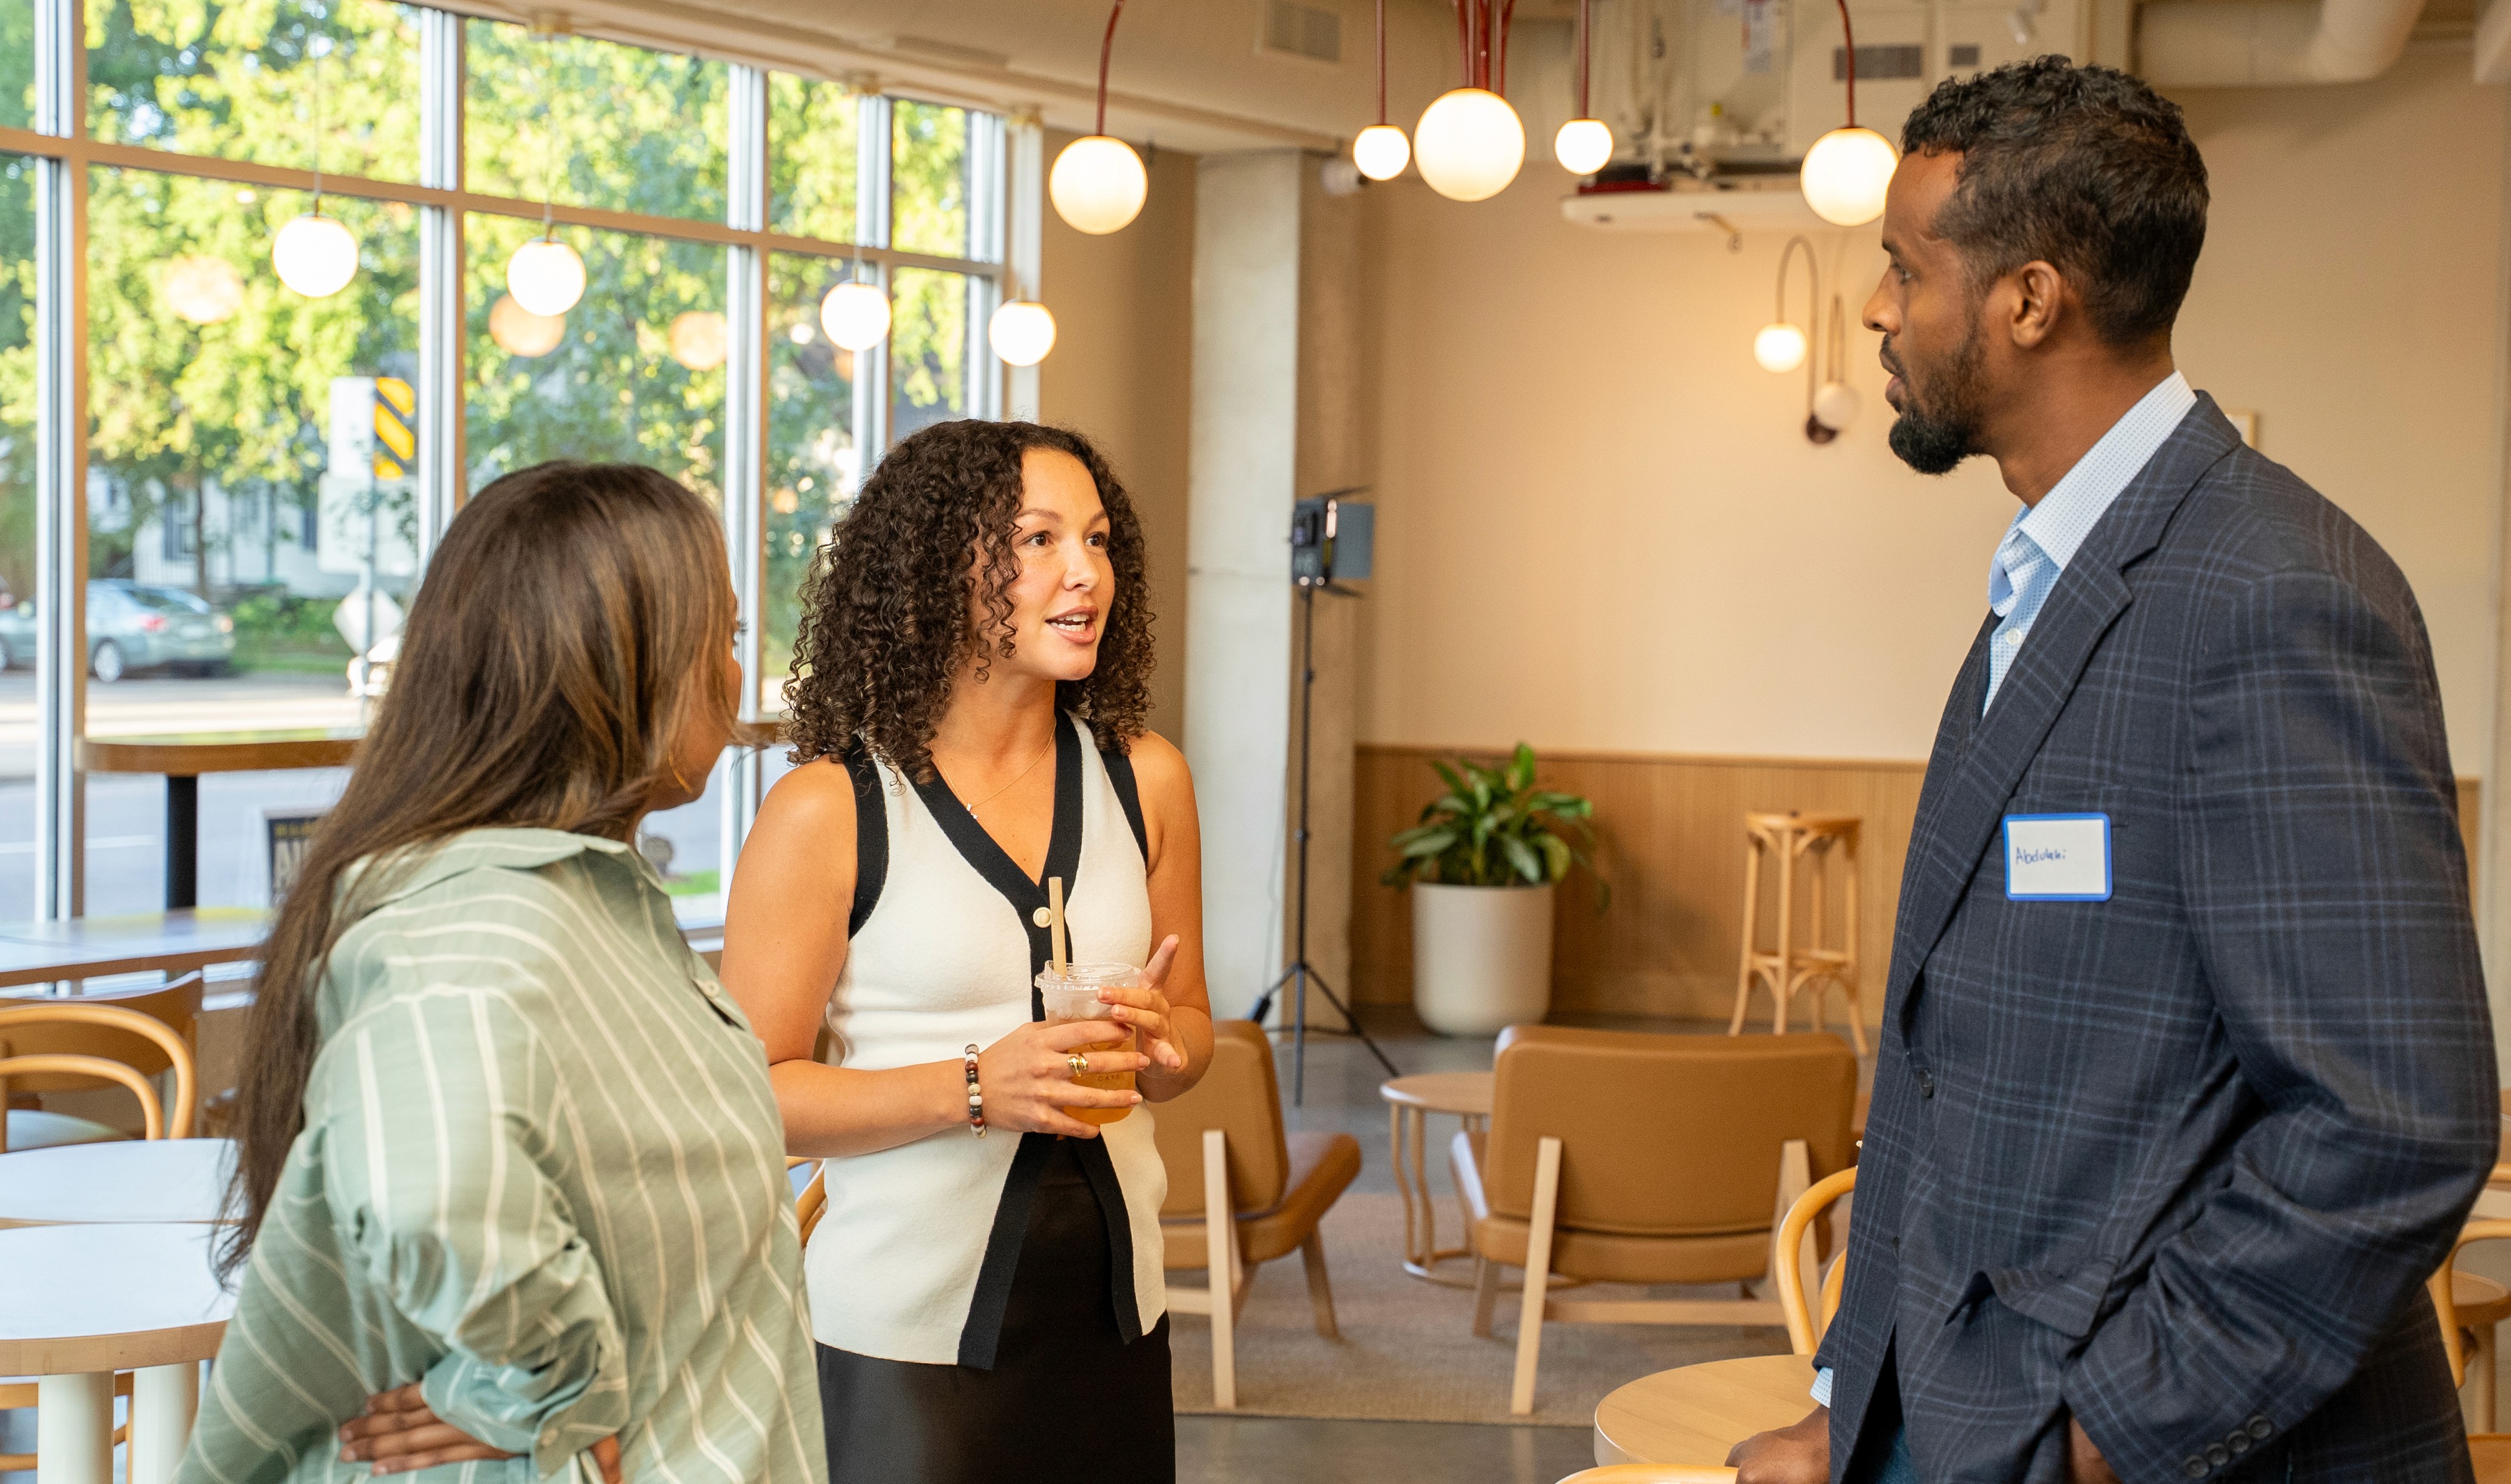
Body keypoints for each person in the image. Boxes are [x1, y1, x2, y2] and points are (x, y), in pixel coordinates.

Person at [1728, 58, 2497, 1484]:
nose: (1878, 307)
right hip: (1962, 1412)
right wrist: (1854, 1402)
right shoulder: (2049, 574)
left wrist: (2091, 1439)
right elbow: (1941, 1064)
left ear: (2028, 300)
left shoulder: (2269, 591)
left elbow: (2391, 1122)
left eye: (1905, 267)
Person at [180, 463, 824, 1484]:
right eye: (727, 639)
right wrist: (554, 1386)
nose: (740, 675)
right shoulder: (477, 921)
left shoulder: (571, 900)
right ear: (626, 666)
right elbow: (426, 1190)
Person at [718, 419, 1212, 1484]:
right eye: (1036, 541)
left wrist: (1170, 1046)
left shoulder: (1147, 778)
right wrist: (978, 1087)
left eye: (1097, 540)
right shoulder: (829, 811)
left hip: (1118, 1324)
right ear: (941, 570)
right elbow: (745, 1099)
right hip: (901, 1339)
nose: (1085, 573)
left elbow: (1196, 1036)